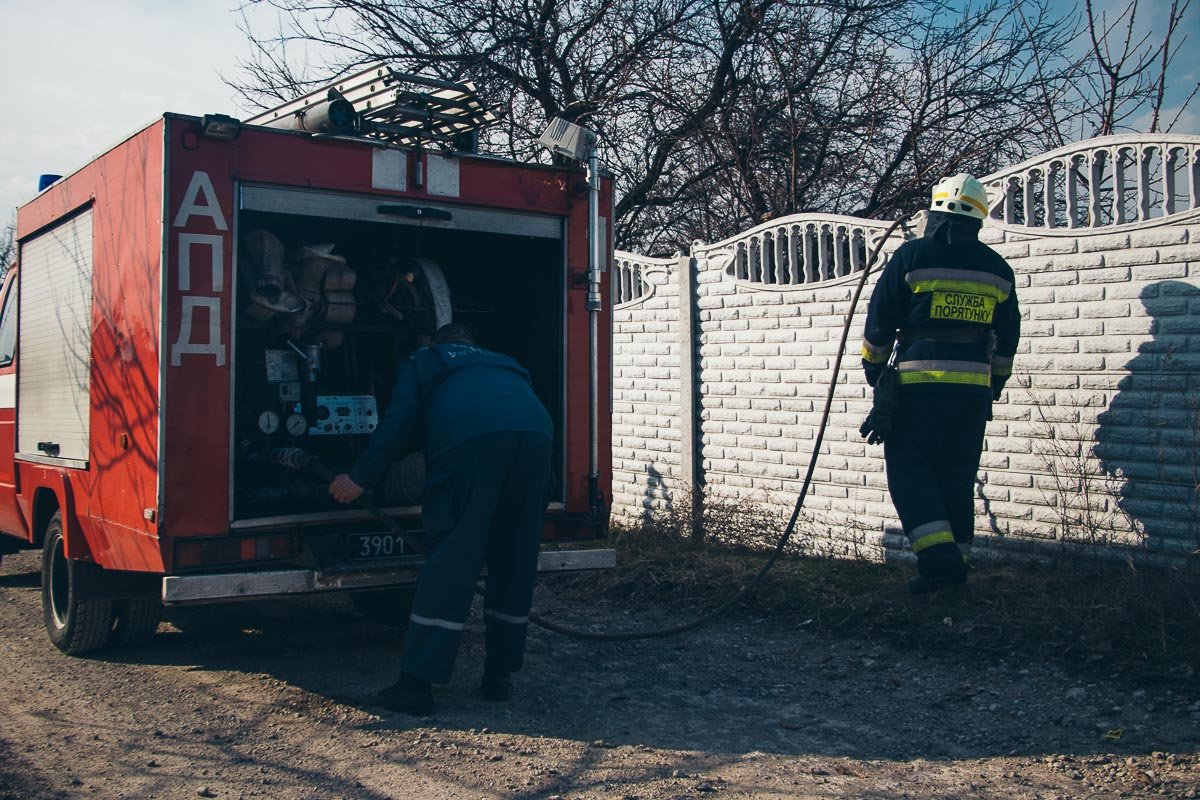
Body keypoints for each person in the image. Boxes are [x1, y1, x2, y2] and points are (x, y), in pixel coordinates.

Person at [329, 322, 553, 714]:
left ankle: (416, 685)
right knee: (514, 560)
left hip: (474, 443)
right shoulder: (507, 363)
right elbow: (520, 414)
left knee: (453, 561)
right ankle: (499, 675)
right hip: (535, 444)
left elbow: (397, 423)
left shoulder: (426, 360)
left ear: (439, 343)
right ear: (472, 344)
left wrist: (360, 478)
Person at [860, 174, 1021, 594]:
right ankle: (955, 572)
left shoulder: (912, 256)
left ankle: (940, 564)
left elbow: (879, 322)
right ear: (980, 216)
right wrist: (993, 385)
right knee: (955, 477)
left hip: (917, 388)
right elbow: (1007, 340)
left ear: (935, 211)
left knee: (911, 475)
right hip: (971, 395)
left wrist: (877, 375)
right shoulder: (997, 269)